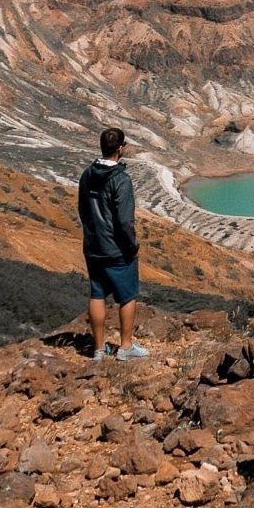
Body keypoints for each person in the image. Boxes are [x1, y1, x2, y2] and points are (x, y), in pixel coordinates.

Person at [78, 126, 148, 361]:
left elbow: (83, 209)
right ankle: (125, 347)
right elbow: (124, 220)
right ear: (120, 149)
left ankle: (98, 350)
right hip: (116, 248)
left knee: (97, 293)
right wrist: (132, 246)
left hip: (93, 245)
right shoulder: (120, 179)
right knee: (127, 295)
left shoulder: (87, 174)